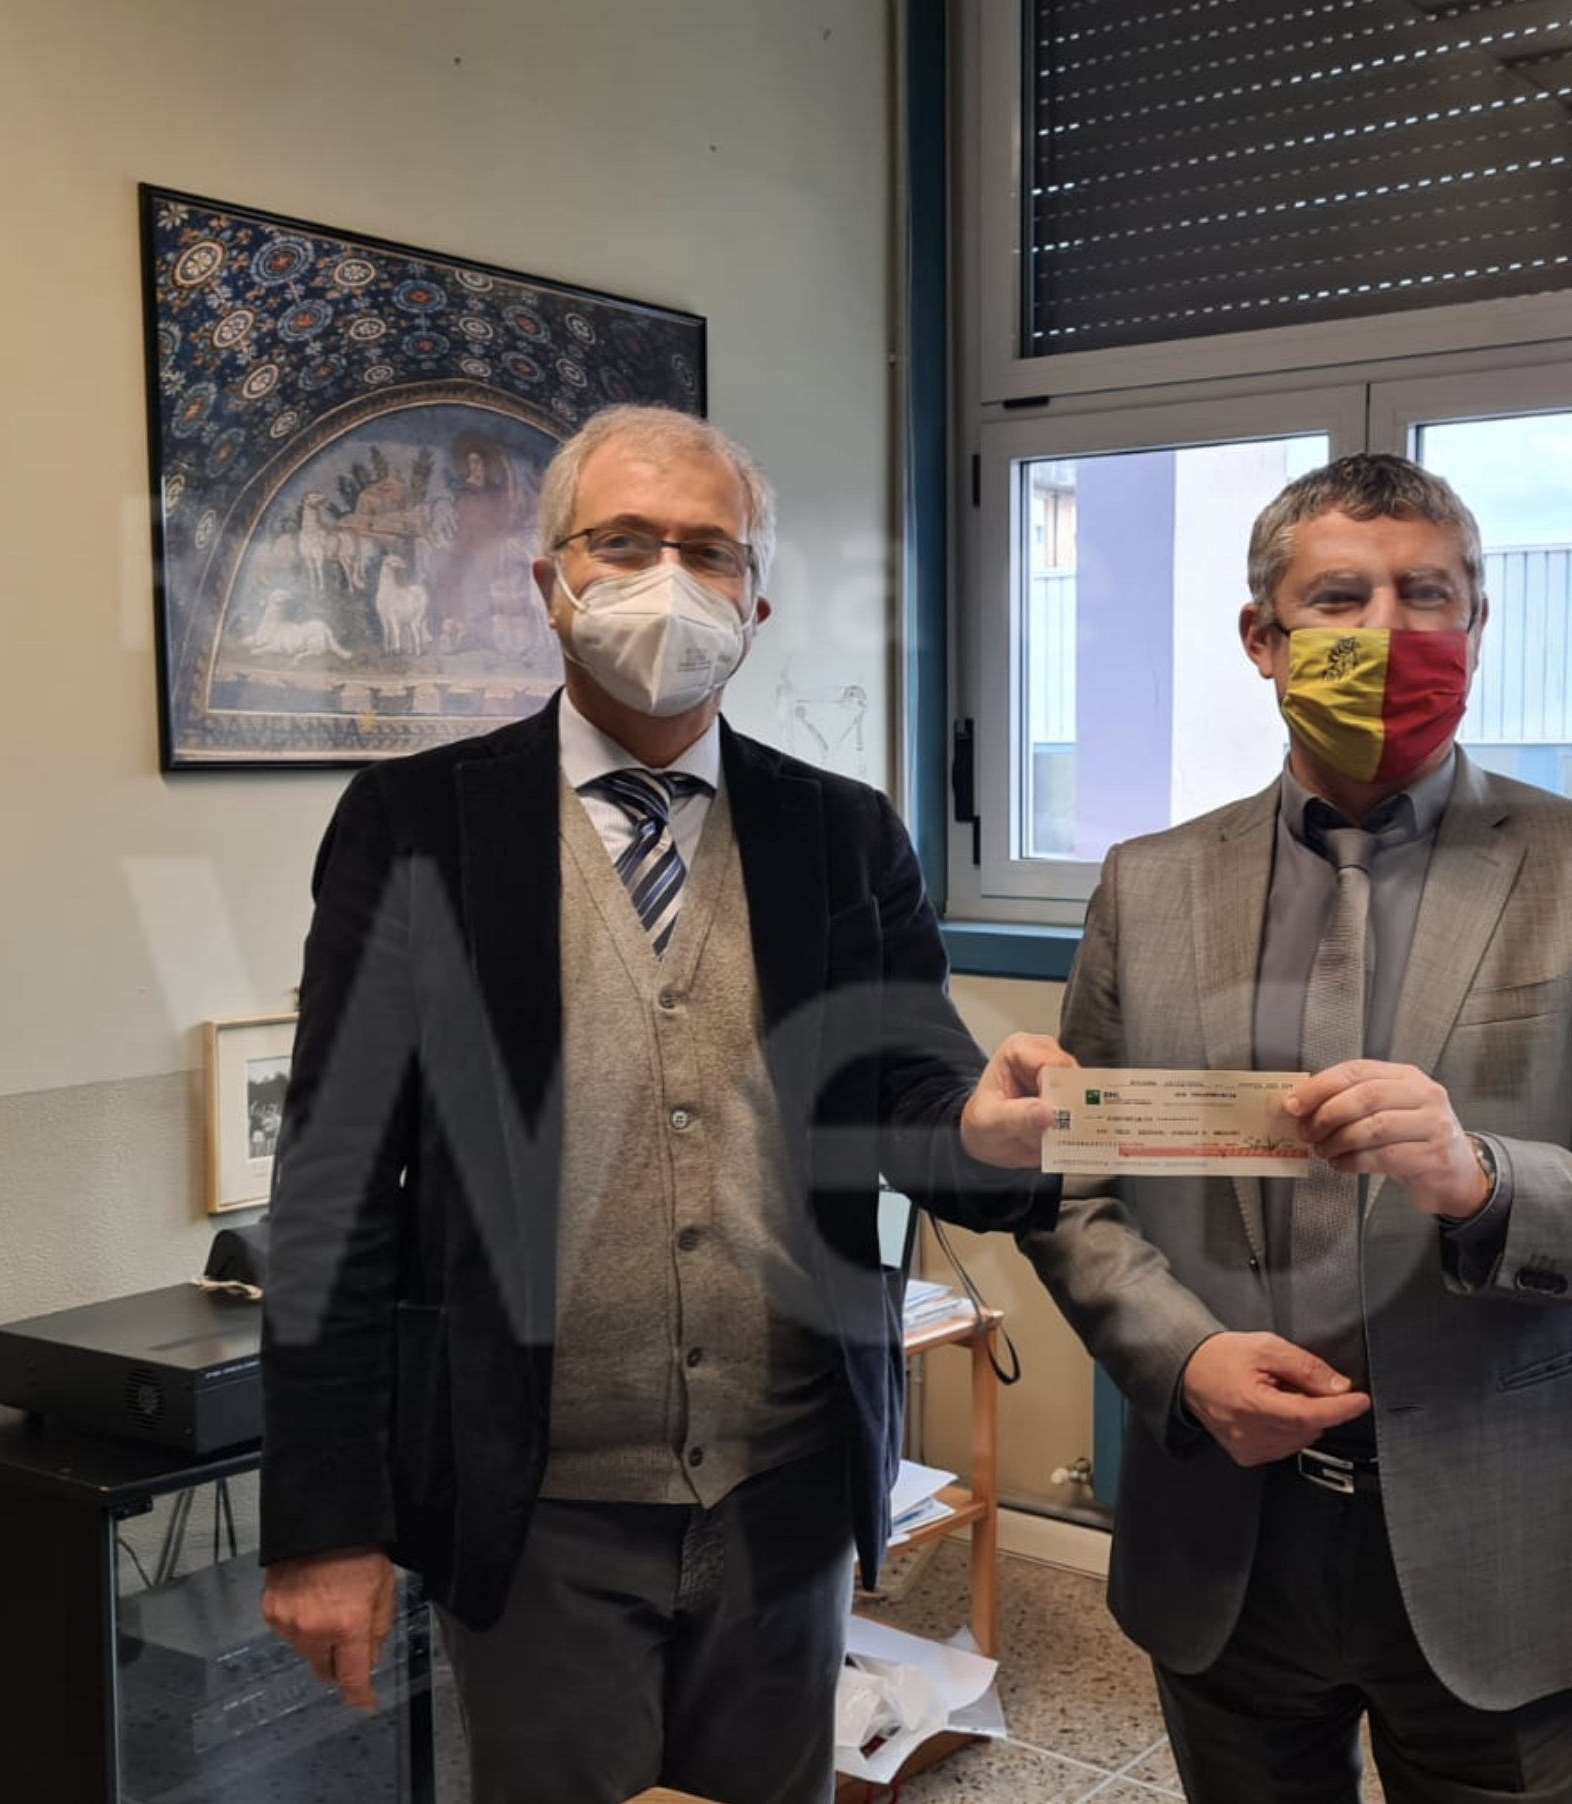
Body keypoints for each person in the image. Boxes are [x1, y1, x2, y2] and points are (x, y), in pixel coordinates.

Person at [256, 404, 1068, 1804]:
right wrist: (324, 1524)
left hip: (788, 1487)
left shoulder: (842, 831)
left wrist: (984, 1136)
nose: (667, 582)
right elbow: (335, 1188)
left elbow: (912, 1092)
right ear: (549, 582)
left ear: (755, 601)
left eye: (707, 551)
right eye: (623, 543)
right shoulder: (415, 827)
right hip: (536, 1502)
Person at [1021, 453, 1572, 1804]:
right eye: (1340, 599)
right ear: (1262, 637)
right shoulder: (1146, 885)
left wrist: (1480, 1181)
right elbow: (1078, 1186)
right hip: (1225, 1531)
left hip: (1504, 1528)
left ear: (1478, 625)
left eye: (1428, 596)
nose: (1388, 633)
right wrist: (1182, 1358)